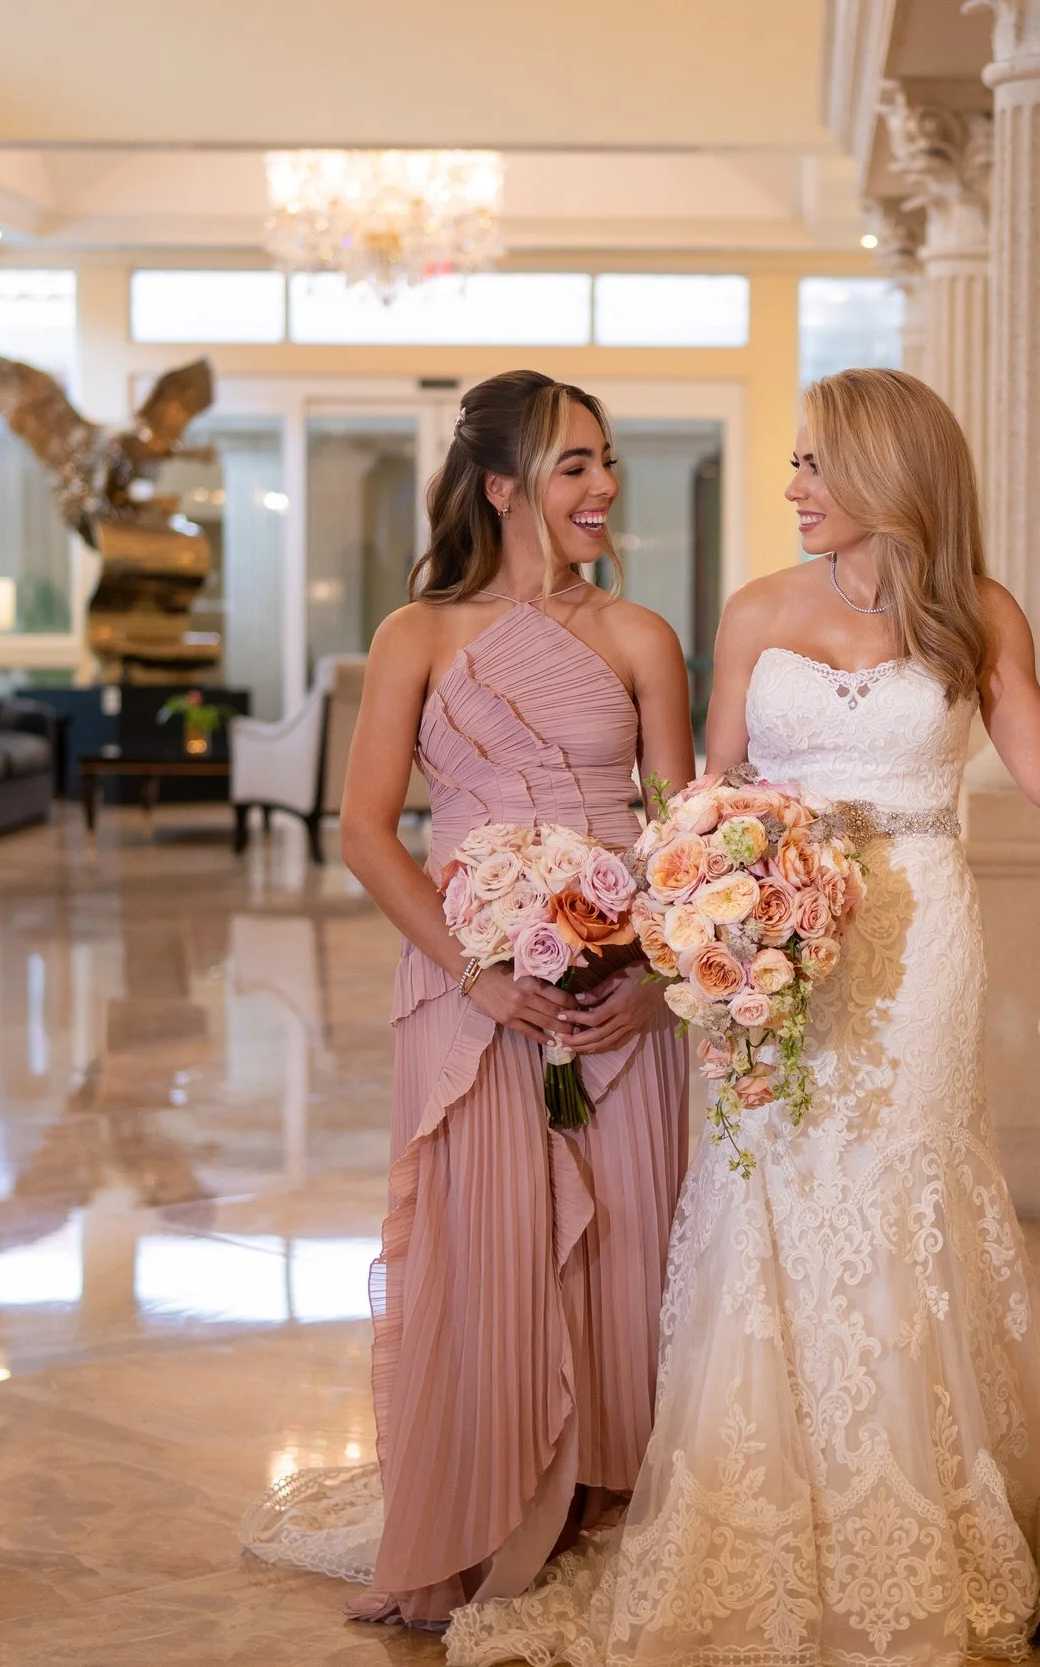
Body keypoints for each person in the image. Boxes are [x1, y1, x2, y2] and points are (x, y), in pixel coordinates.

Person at [447, 367, 1040, 1665]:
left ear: (887, 469)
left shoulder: (976, 614)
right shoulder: (759, 606)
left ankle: (909, 1525)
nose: (793, 489)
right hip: (768, 946)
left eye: (816, 464)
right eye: (796, 464)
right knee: (767, 1189)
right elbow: (706, 797)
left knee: (899, 1191)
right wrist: (703, 922)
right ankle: (762, 1518)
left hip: (918, 939)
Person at [242, 370, 693, 1627]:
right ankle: (485, 1503)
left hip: (617, 1006)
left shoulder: (642, 636)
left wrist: (654, 977)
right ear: (502, 487)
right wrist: (481, 974)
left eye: (606, 462)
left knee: (628, 1249)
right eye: (573, 465)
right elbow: (366, 831)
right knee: (487, 1243)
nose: (602, 486)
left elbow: (679, 837)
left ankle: (608, 1499)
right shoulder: (417, 636)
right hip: (471, 996)